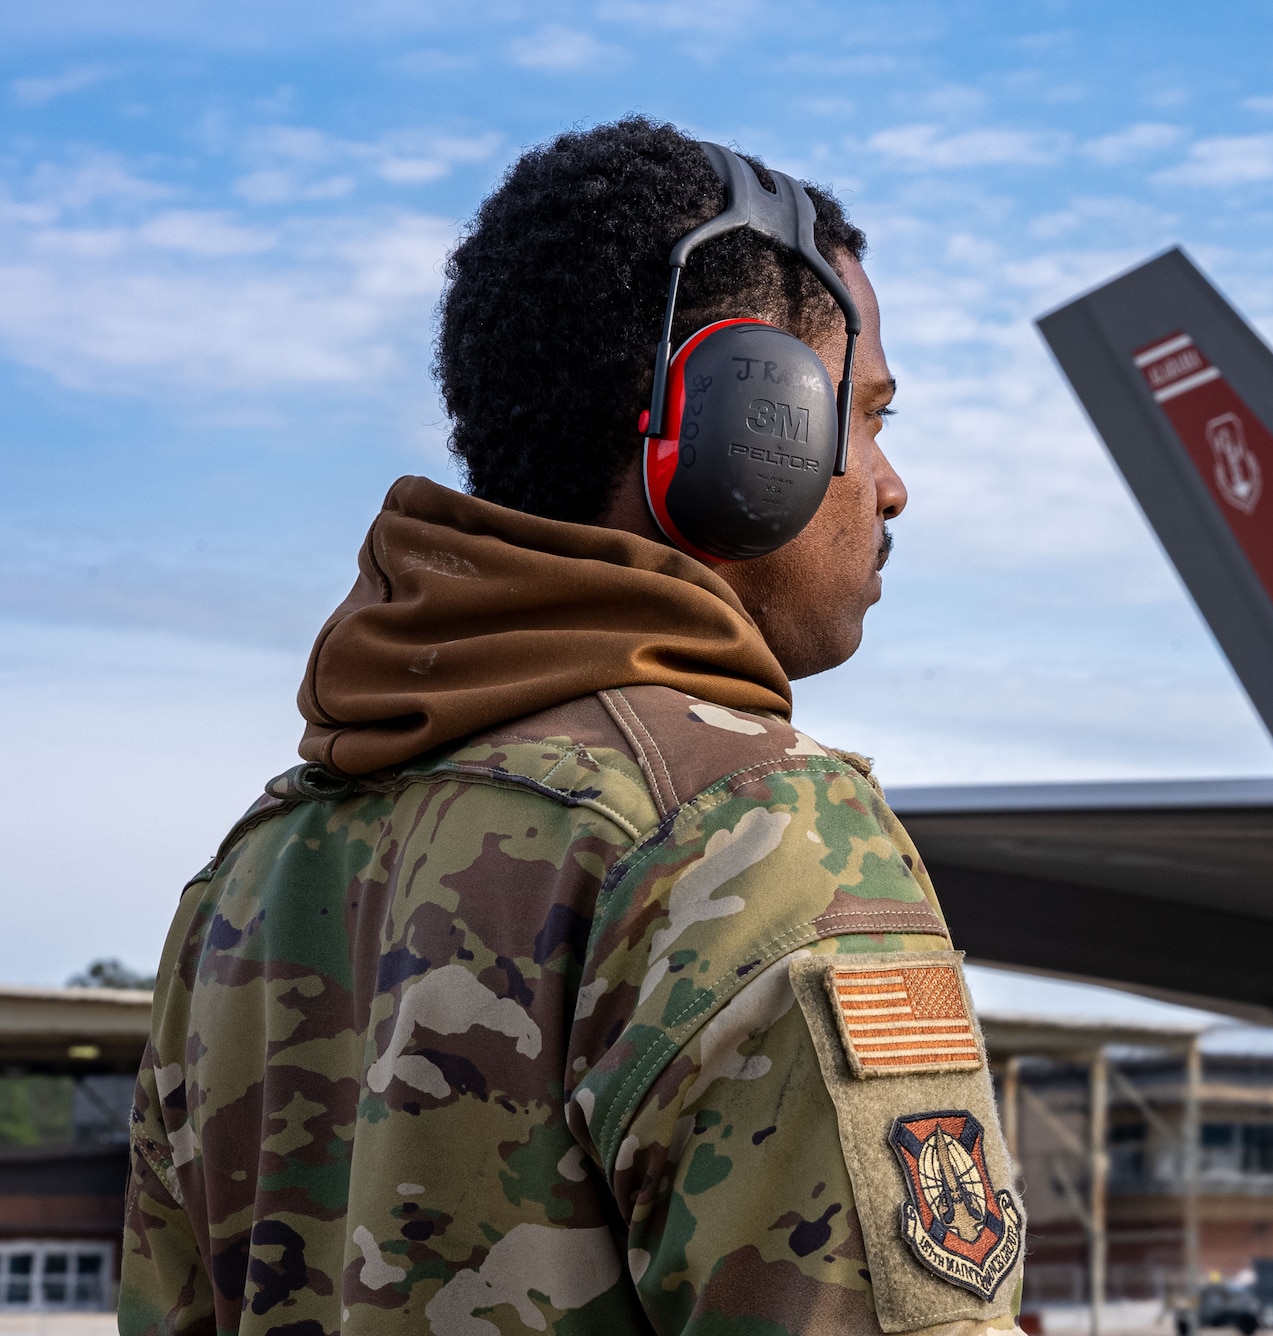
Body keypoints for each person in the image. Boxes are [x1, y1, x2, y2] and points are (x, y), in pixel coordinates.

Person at [120, 117, 1024, 1336]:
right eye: (865, 418)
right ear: (739, 428)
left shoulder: (253, 870)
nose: (889, 482)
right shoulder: (750, 831)